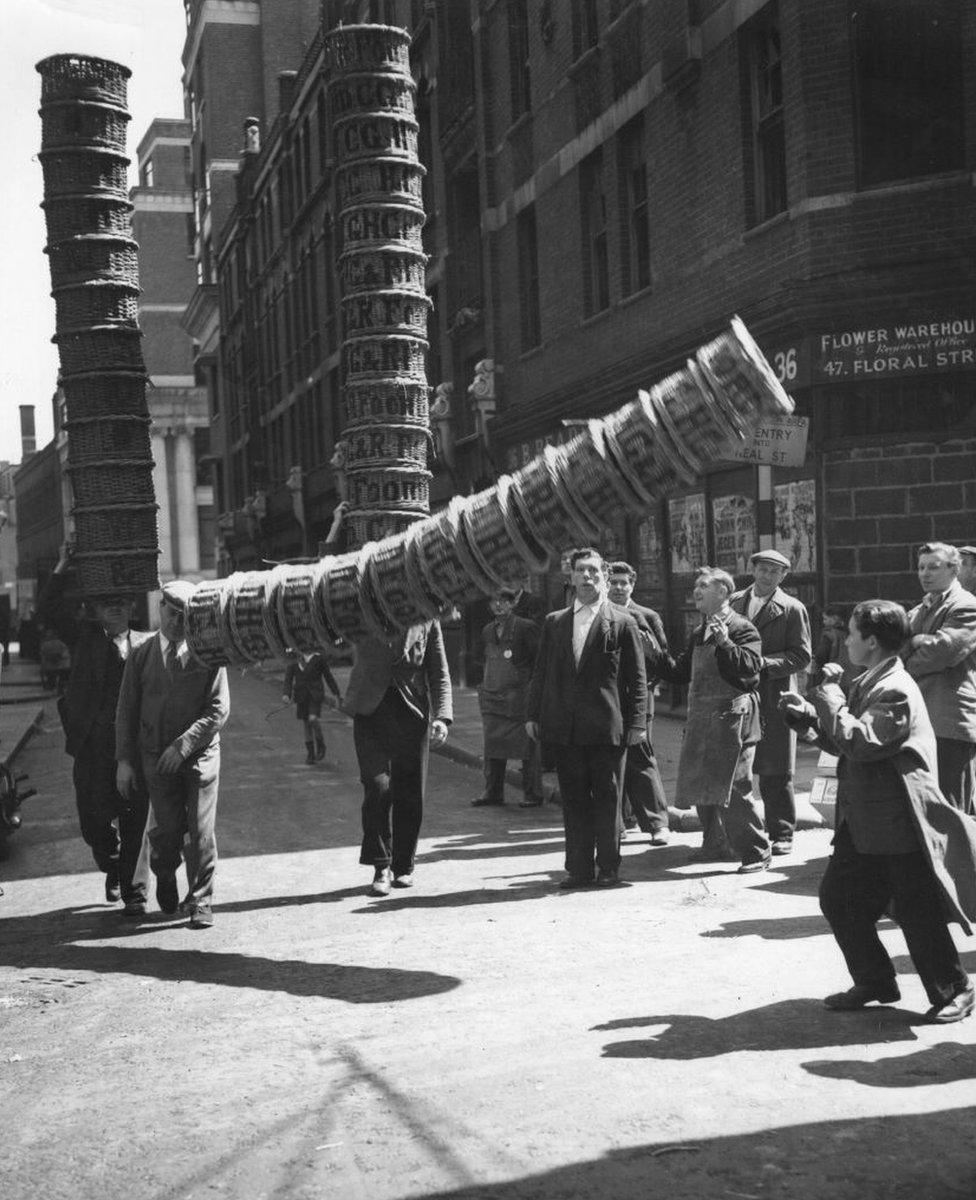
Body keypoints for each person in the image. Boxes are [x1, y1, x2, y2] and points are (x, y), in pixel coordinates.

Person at [780, 599, 976, 1023]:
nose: (847, 640)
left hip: (897, 820)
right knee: (840, 899)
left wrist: (829, 697)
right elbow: (848, 742)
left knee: (915, 907)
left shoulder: (896, 688)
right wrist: (811, 720)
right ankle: (876, 981)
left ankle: (955, 989)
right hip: (865, 818)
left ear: (871, 641)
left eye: (851, 633)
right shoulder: (873, 678)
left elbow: (865, 742)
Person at [526, 548, 646, 888]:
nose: (588, 577)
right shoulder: (555, 622)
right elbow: (541, 672)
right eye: (581, 570)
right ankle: (578, 868)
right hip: (565, 727)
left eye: (594, 571)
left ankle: (608, 866)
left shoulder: (622, 621)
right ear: (571, 576)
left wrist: (637, 723)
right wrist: (533, 714)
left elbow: (636, 680)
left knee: (608, 798)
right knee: (574, 798)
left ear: (604, 577)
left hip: (607, 727)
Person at [116, 580, 230, 929]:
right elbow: (126, 710)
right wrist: (124, 761)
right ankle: (164, 871)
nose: (177, 621)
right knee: (167, 831)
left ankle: (201, 900)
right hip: (156, 759)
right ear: (159, 608)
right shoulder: (141, 656)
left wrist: (183, 745)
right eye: (171, 611)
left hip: (198, 756)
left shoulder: (208, 654)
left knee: (199, 829)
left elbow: (218, 709)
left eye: (184, 615)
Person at [652, 567, 771, 873]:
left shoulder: (742, 628)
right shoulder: (698, 631)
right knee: (702, 784)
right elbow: (679, 672)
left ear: (724, 592)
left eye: (704, 585)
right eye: (696, 586)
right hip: (703, 719)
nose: (697, 591)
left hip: (735, 719)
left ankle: (757, 851)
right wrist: (652, 651)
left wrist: (725, 644)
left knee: (734, 787)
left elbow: (750, 672)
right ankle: (714, 843)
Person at [54, 592, 153, 914]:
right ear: (95, 609)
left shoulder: (148, 644)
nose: (116, 606)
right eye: (106, 602)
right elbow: (47, 611)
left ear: (133, 606)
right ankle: (112, 864)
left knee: (135, 819)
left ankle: (135, 892)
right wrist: (60, 567)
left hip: (135, 749)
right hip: (93, 750)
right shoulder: (84, 641)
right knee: (94, 824)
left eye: (123, 601)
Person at [344, 622, 452, 897]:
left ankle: (403, 865)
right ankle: (381, 865)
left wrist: (442, 716)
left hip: (411, 712)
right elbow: (334, 631)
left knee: (410, 792)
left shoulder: (428, 617)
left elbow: (438, 669)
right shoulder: (362, 608)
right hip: (370, 711)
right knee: (377, 786)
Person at [729, 549, 811, 857]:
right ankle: (739, 833)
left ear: (783, 576)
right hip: (736, 693)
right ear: (752, 569)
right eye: (762, 569)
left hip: (774, 696)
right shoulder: (734, 602)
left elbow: (801, 656)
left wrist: (761, 664)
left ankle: (781, 832)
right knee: (735, 765)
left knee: (776, 767)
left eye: (774, 571)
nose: (767, 575)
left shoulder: (791, 608)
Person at [903, 542, 976, 815]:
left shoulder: (966, 605)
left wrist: (910, 654)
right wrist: (916, 641)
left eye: (934, 567)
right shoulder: (922, 607)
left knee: (953, 810)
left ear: (954, 569)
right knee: (931, 806)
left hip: (950, 720)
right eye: (921, 567)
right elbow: (897, 645)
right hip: (923, 718)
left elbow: (942, 653)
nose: (925, 573)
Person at [607, 561, 670, 846]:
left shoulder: (646, 616)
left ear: (633, 584)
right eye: (614, 582)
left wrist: (651, 651)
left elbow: (664, 663)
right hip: (606, 698)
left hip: (638, 697)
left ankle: (657, 823)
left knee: (641, 757)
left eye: (624, 583)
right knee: (608, 761)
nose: (619, 588)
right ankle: (617, 824)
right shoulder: (600, 615)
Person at [472, 586, 542, 808]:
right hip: (494, 697)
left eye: (504, 601)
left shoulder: (525, 627)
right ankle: (493, 792)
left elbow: (538, 662)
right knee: (493, 746)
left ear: (513, 604)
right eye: (494, 601)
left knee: (527, 748)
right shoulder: (487, 631)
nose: (498, 605)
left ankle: (533, 794)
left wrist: (532, 691)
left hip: (520, 698)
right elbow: (480, 659)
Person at [283, 650, 342, 763]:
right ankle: (310, 754)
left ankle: (320, 744)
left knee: (313, 718)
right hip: (301, 697)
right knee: (306, 724)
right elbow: (288, 680)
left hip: (315, 696)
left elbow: (328, 677)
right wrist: (286, 694)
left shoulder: (318, 659)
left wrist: (336, 694)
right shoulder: (293, 661)